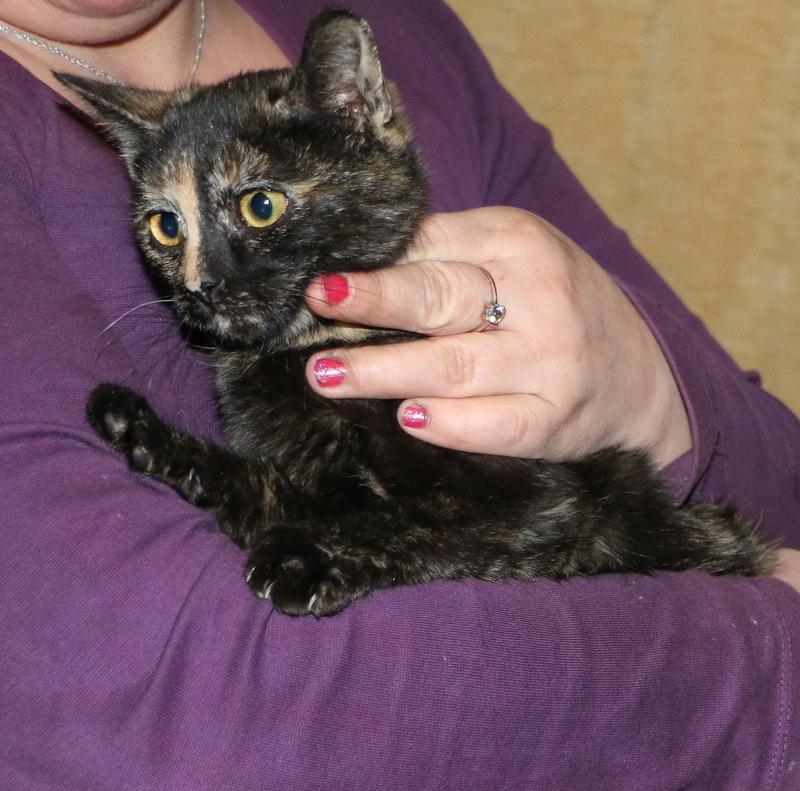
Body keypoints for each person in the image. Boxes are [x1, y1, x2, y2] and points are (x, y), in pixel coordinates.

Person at [0, 0, 798, 788]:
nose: (200, 279)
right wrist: (770, 649)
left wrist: (656, 387)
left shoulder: (408, 24)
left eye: (260, 207)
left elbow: (781, 481)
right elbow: (224, 724)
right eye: (168, 229)